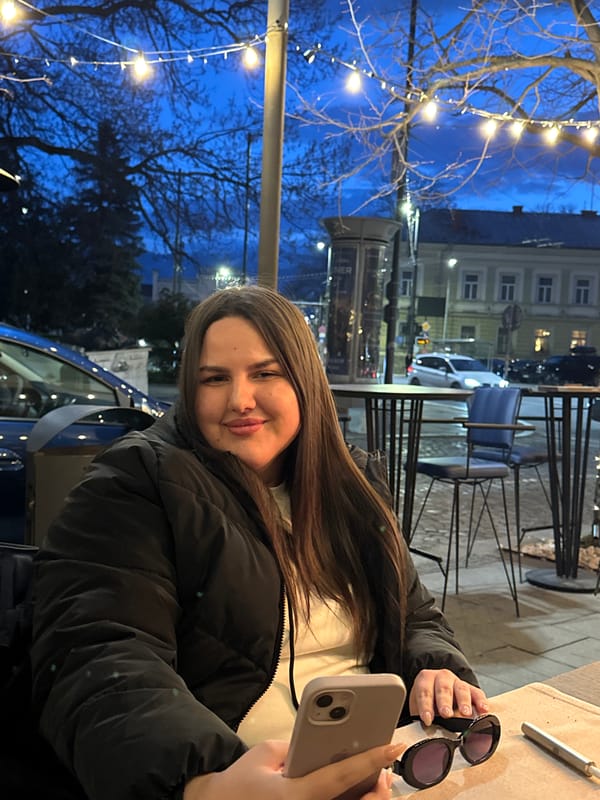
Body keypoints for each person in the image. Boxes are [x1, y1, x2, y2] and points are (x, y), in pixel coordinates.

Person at [30, 285, 489, 800]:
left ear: (304, 380)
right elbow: (98, 657)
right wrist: (205, 786)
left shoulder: (353, 483)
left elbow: (415, 614)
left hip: (381, 768)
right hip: (231, 775)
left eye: (265, 373)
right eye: (214, 379)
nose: (240, 400)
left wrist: (435, 666)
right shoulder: (135, 481)